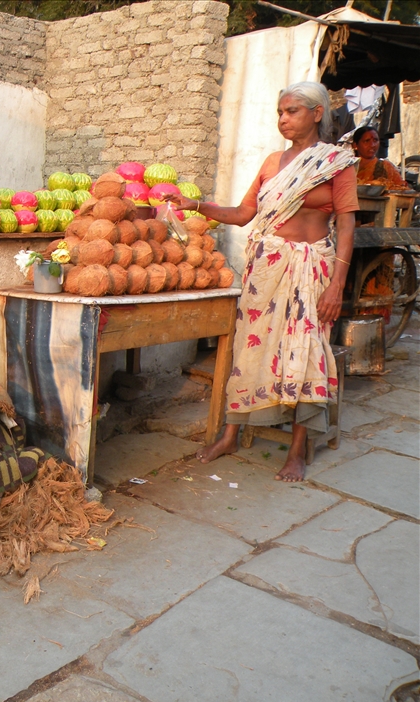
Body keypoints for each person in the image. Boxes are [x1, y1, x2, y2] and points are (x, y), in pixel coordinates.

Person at [165, 81, 358, 483]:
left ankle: (297, 451)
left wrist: (338, 285)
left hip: (312, 269)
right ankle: (231, 434)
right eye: (280, 113)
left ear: (317, 114)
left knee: (306, 350)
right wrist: (196, 205)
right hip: (266, 270)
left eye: (292, 112)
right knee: (249, 347)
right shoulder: (272, 163)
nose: (283, 119)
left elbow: (347, 226)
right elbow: (242, 213)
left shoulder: (336, 162)